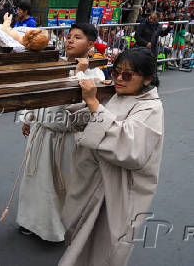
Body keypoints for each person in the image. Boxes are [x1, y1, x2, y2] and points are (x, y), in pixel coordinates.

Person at [59, 48, 164, 265]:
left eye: (127, 75)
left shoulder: (151, 108)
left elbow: (129, 148)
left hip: (118, 191)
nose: (118, 78)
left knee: (103, 249)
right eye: (116, 72)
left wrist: (95, 104)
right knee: (80, 242)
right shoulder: (118, 95)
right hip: (94, 181)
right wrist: (92, 101)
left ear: (147, 79)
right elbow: (89, 122)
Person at [16, 23, 105, 241]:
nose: (70, 40)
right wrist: (30, 117)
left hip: (66, 139)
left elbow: (82, 108)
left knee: (58, 185)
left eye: (78, 37)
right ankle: (30, 221)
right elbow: (38, 92)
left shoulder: (97, 74)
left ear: (91, 44)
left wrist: (78, 73)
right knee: (34, 181)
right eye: (69, 37)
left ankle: (54, 229)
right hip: (41, 132)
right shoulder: (55, 65)